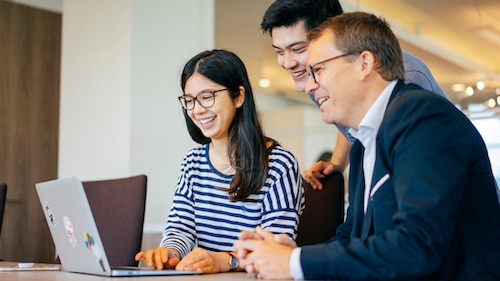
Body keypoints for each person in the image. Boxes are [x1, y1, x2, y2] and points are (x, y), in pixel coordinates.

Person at [234, 12, 500, 280]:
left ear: (364, 63)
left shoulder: (422, 115)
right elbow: (350, 238)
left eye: (319, 69)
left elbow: (418, 245)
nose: (310, 86)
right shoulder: (362, 143)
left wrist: (296, 263)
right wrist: (294, 254)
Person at [135, 49, 304, 273]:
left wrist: (225, 260)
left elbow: (275, 248)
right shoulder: (193, 163)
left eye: (207, 97)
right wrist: (170, 253)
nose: (197, 110)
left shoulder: (279, 164)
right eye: (189, 100)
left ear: (239, 96)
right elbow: (180, 229)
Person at [261, 0, 446, 189]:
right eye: (279, 52)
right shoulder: (316, 81)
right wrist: (337, 163)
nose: (287, 62)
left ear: (331, 33)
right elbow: (355, 119)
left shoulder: (405, 79)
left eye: (297, 49)